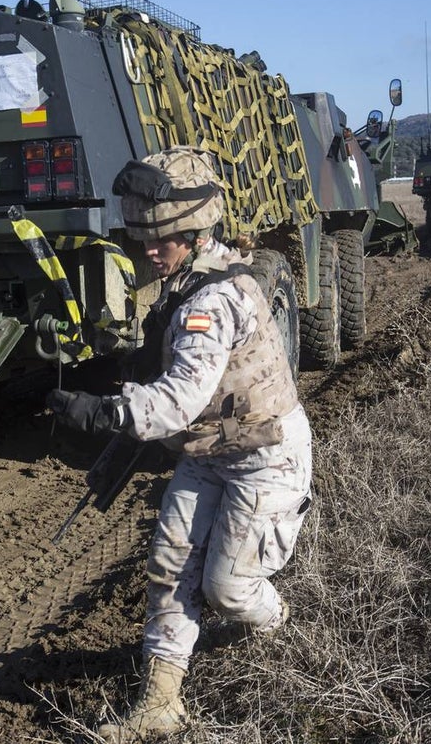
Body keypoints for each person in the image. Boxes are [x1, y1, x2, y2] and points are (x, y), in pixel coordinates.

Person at [46, 147, 313, 742]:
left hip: (264, 459)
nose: (148, 250)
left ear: (195, 232)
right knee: (170, 567)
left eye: (161, 240)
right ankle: (159, 703)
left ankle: (280, 630)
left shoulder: (211, 301)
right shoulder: (186, 281)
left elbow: (176, 404)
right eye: (143, 237)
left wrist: (104, 412)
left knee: (228, 589)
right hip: (208, 454)